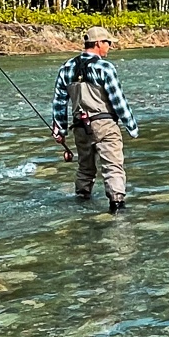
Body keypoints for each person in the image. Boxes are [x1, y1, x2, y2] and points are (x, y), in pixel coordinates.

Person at [51, 27, 139, 208]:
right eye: (108, 43)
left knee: (85, 169)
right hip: (105, 124)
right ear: (98, 43)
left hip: (79, 127)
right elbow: (118, 101)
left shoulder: (66, 67)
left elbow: (59, 102)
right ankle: (117, 208)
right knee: (113, 167)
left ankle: (81, 205)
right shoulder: (105, 67)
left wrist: (60, 129)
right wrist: (132, 127)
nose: (110, 46)